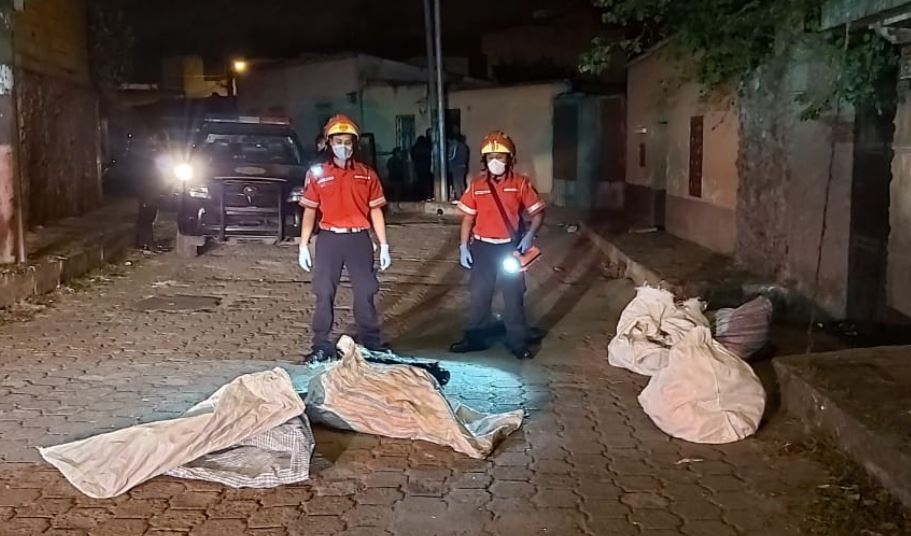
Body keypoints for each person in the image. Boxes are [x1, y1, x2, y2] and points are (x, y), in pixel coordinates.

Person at [298, 114, 392, 363]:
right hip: (329, 239)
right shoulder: (318, 174)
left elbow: (375, 210)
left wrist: (383, 245)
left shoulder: (367, 174)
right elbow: (310, 210)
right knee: (324, 292)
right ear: (329, 143)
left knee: (365, 291)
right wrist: (303, 244)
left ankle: (370, 343)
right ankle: (320, 345)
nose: (344, 146)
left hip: (358, 239)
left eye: (348, 142)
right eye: (338, 141)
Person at [450, 130, 545, 360]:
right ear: (484, 161)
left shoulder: (521, 184)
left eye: (500, 157)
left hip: (509, 248)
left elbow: (538, 212)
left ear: (509, 159)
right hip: (482, 248)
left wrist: (530, 234)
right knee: (479, 295)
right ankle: (475, 339)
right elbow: (468, 218)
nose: (495, 161)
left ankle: (517, 341)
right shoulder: (476, 185)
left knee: (513, 296)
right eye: (490, 157)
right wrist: (463, 246)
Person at [134, 131, 171, 250]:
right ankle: (147, 243)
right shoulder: (149, 154)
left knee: (148, 216)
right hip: (148, 188)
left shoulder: (153, 153)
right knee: (147, 217)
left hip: (151, 188)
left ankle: (144, 242)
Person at [411, 131, 432, 199]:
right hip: (425, 167)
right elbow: (429, 155)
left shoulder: (415, 148)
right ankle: (426, 195)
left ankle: (419, 195)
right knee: (426, 181)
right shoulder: (426, 147)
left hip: (418, 167)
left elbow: (412, 156)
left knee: (420, 181)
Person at [448, 133, 470, 200]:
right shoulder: (465, 147)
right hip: (463, 166)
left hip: (456, 166)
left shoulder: (456, 146)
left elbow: (451, 157)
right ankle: (464, 198)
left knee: (456, 183)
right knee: (462, 182)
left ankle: (459, 197)